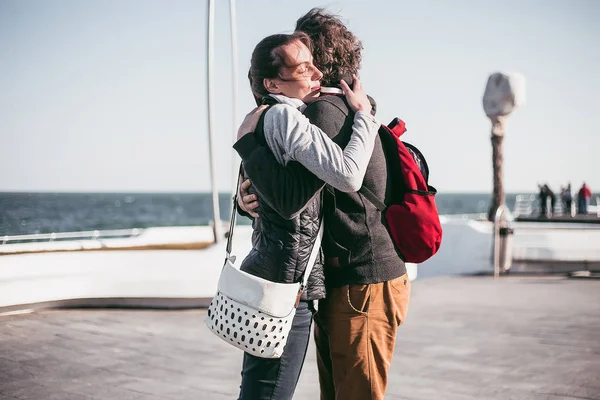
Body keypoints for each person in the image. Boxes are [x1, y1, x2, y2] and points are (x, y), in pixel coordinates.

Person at [236, 8, 411, 400]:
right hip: (351, 278)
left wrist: (248, 155)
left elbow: (287, 195)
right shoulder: (334, 110)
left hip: (361, 278)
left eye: (307, 57)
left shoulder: (322, 114)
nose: (309, 70)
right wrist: (248, 197)